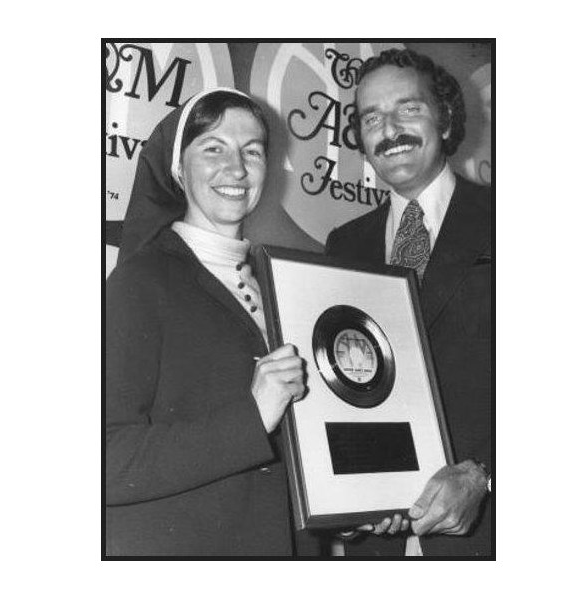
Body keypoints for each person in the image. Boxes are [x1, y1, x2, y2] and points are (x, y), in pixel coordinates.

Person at [106, 88, 307, 556]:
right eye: (213, 148)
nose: (236, 169)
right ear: (178, 167)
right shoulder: (139, 283)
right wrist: (251, 417)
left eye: (251, 151)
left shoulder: (282, 288)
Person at [326, 49, 493, 557]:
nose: (389, 129)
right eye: (371, 117)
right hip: (373, 544)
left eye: (408, 109)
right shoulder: (342, 246)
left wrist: (488, 477)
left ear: (443, 119)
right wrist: (342, 502)